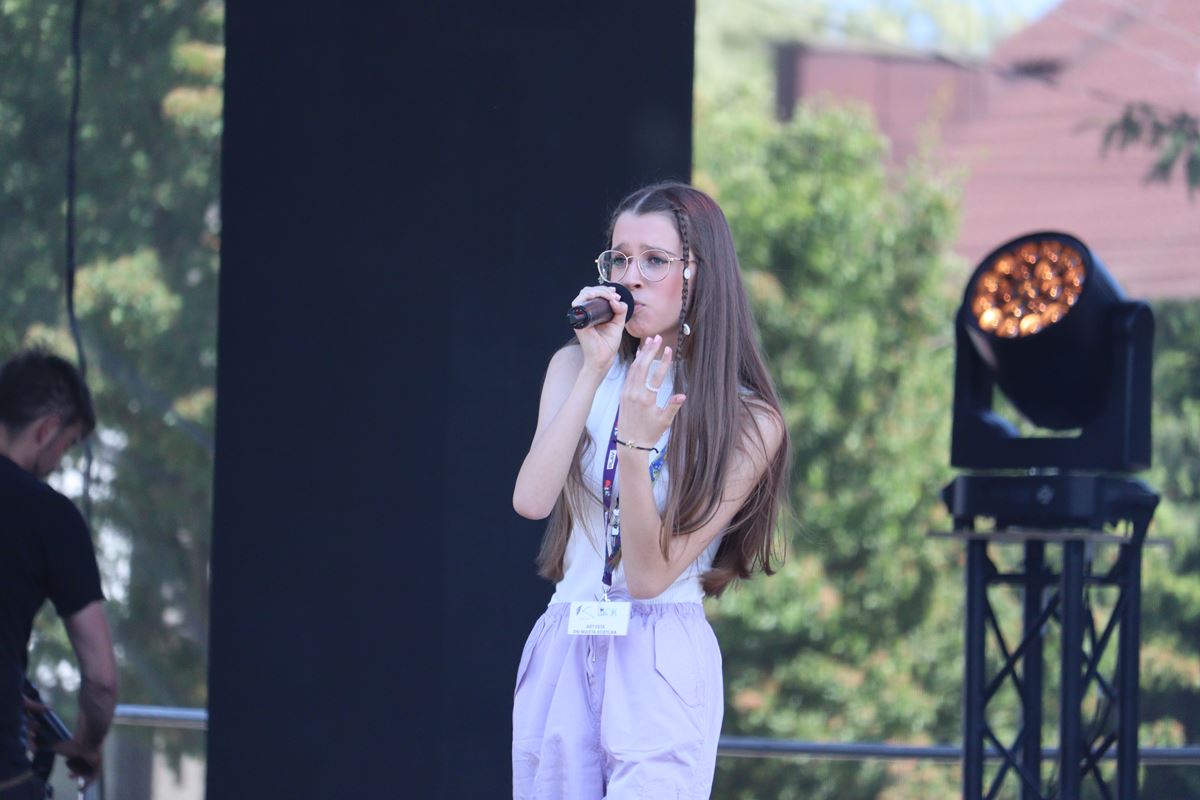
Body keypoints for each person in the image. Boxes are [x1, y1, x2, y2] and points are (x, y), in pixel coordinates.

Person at [511, 182, 790, 799]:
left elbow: (648, 578)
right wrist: (594, 368)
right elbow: (531, 499)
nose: (630, 277)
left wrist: (636, 448)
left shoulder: (748, 419)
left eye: (655, 260)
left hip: (660, 650)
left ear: (698, 274)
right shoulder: (572, 367)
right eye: (619, 259)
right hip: (568, 634)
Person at [0, 350, 117, 799]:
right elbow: (101, 680)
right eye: (66, 446)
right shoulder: (50, 516)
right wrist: (87, 743)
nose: (56, 464)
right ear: (46, 430)